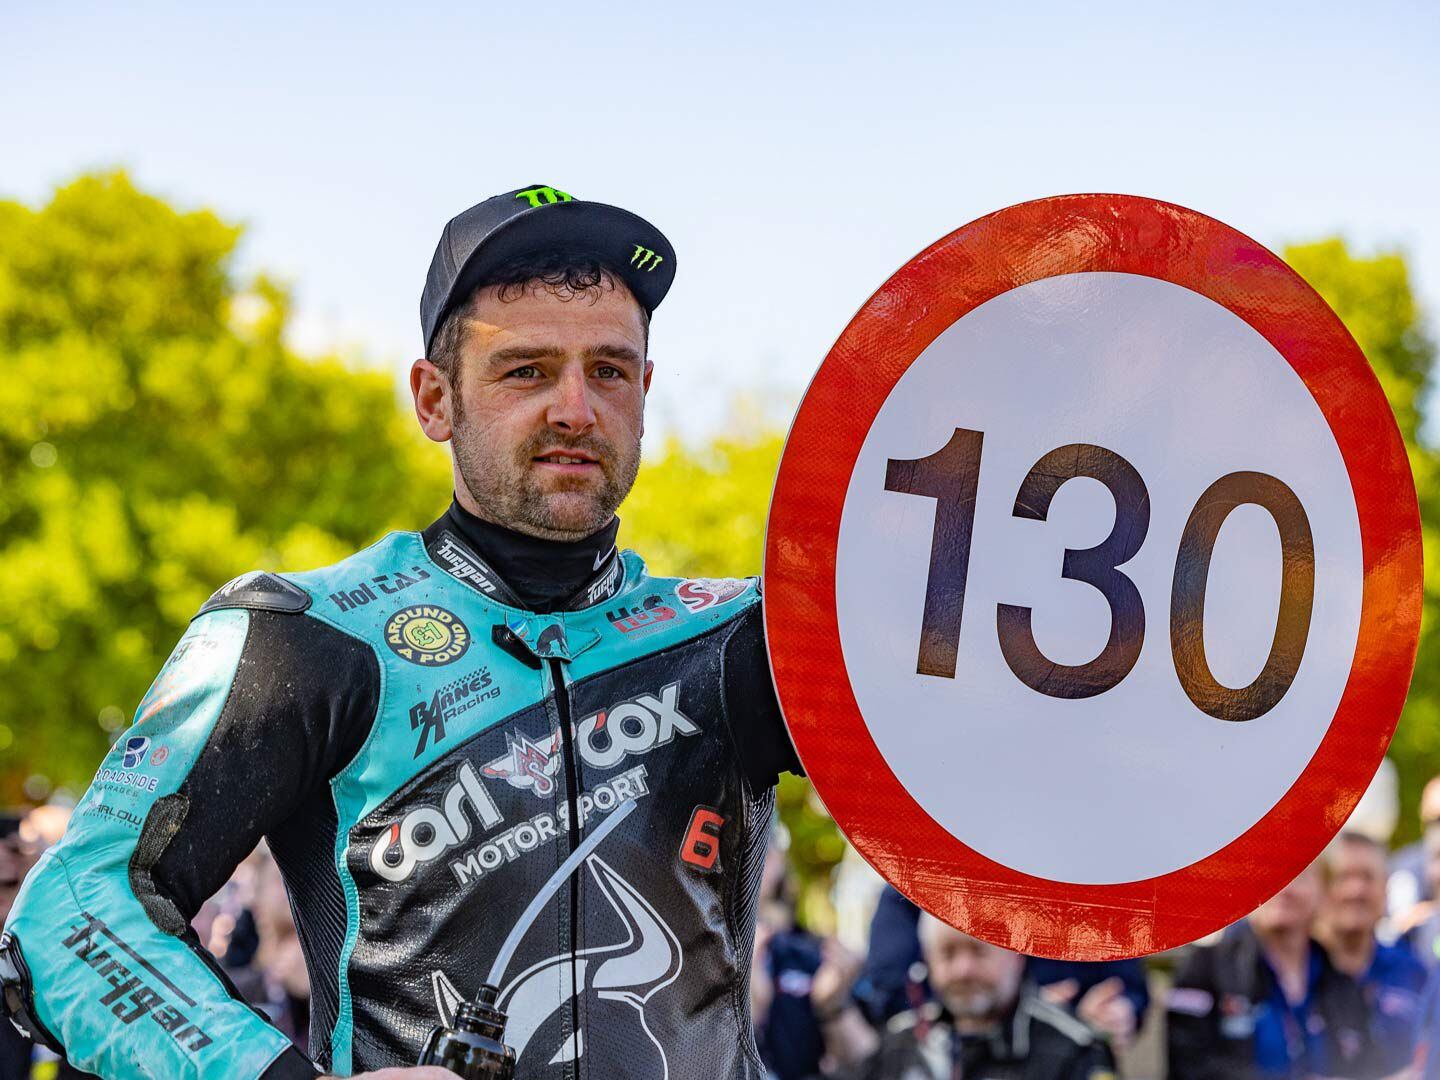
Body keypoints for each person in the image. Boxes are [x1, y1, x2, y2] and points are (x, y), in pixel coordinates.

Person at [0, 185, 802, 1079]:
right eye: (526, 370)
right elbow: (68, 915)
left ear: (645, 393)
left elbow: (974, 767)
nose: (576, 409)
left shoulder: (748, 637)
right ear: (433, 400)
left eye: (609, 370)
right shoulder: (310, 636)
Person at [856, 884, 1148, 1054]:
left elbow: (1129, 987)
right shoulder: (912, 878)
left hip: (1067, 1059)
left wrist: (1117, 1013)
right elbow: (892, 993)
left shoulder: (1093, 885)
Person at [1166, 861, 1381, 1079]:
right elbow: (1187, 1066)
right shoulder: (1205, 967)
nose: (1284, 888)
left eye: (1298, 875)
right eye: (1270, 874)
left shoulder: (1343, 984)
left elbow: (1368, 1066)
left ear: (1323, 893)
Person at [840, 911, 1117, 1080]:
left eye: (979, 951)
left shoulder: (1074, 1047)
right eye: (948, 954)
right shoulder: (900, 1041)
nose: (964, 970)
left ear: (1016, 956)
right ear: (928, 960)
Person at [751, 837, 874, 1079]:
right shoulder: (700, 952)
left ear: (778, 860)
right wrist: (748, 1008)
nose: (751, 862)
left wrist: (832, 1003)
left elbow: (866, 1061)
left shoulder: (811, 952)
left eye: (763, 851)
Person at [1316, 831, 1426, 1074]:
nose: (1356, 890)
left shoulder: (1414, 971)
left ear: (1386, 888)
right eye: (1344, 877)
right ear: (1321, 887)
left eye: (1368, 877)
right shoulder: (1297, 974)